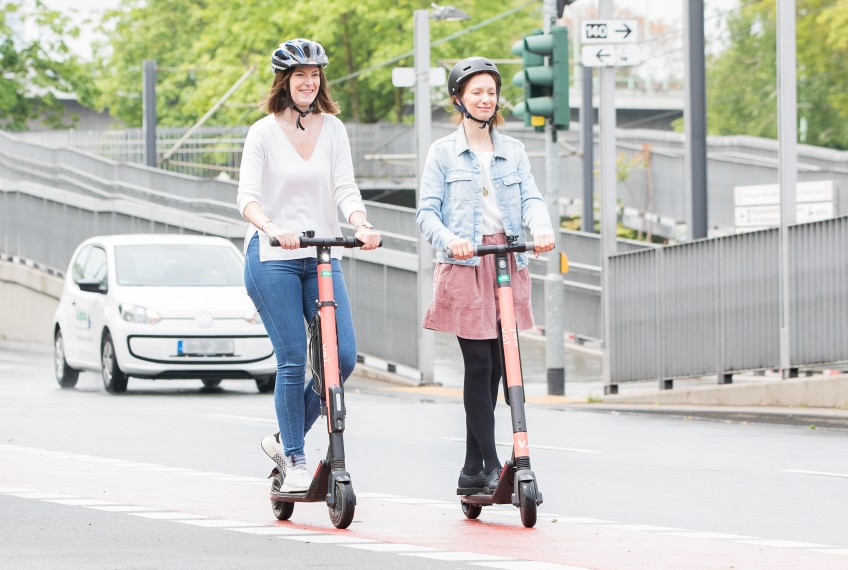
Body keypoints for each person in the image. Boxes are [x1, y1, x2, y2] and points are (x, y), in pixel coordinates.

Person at [237, 38, 380, 492]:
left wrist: (359, 222)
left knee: (342, 359)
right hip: (273, 257)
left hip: (321, 255)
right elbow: (247, 198)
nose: (308, 82)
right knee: (294, 359)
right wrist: (272, 226)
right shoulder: (262, 132)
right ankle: (295, 459)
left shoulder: (333, 128)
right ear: (285, 81)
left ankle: (283, 437)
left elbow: (345, 187)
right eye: (300, 75)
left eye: (315, 75)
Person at [416, 57, 556, 494]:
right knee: (479, 363)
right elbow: (426, 213)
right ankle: (492, 466)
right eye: (476, 91)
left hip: (507, 259)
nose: (485, 99)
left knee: (499, 365)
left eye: (491, 92)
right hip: (466, 262)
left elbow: (531, 197)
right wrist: (450, 238)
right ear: (459, 98)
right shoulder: (442, 151)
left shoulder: (512, 149)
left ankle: (470, 467)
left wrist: (543, 226)